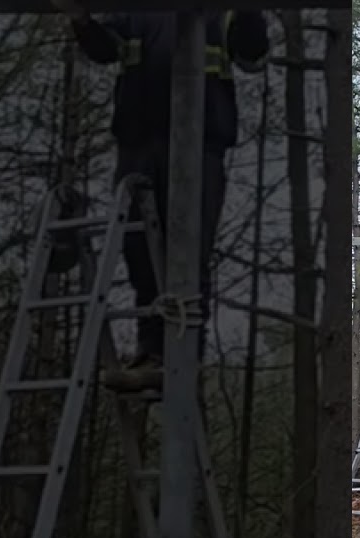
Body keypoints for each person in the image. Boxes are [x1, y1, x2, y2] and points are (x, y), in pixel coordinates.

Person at [61, 5, 269, 391]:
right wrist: (81, 21)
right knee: (138, 248)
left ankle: (183, 353)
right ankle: (151, 349)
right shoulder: (139, 11)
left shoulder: (218, 12)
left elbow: (252, 52)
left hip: (201, 144)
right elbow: (105, 47)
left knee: (189, 254)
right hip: (140, 139)